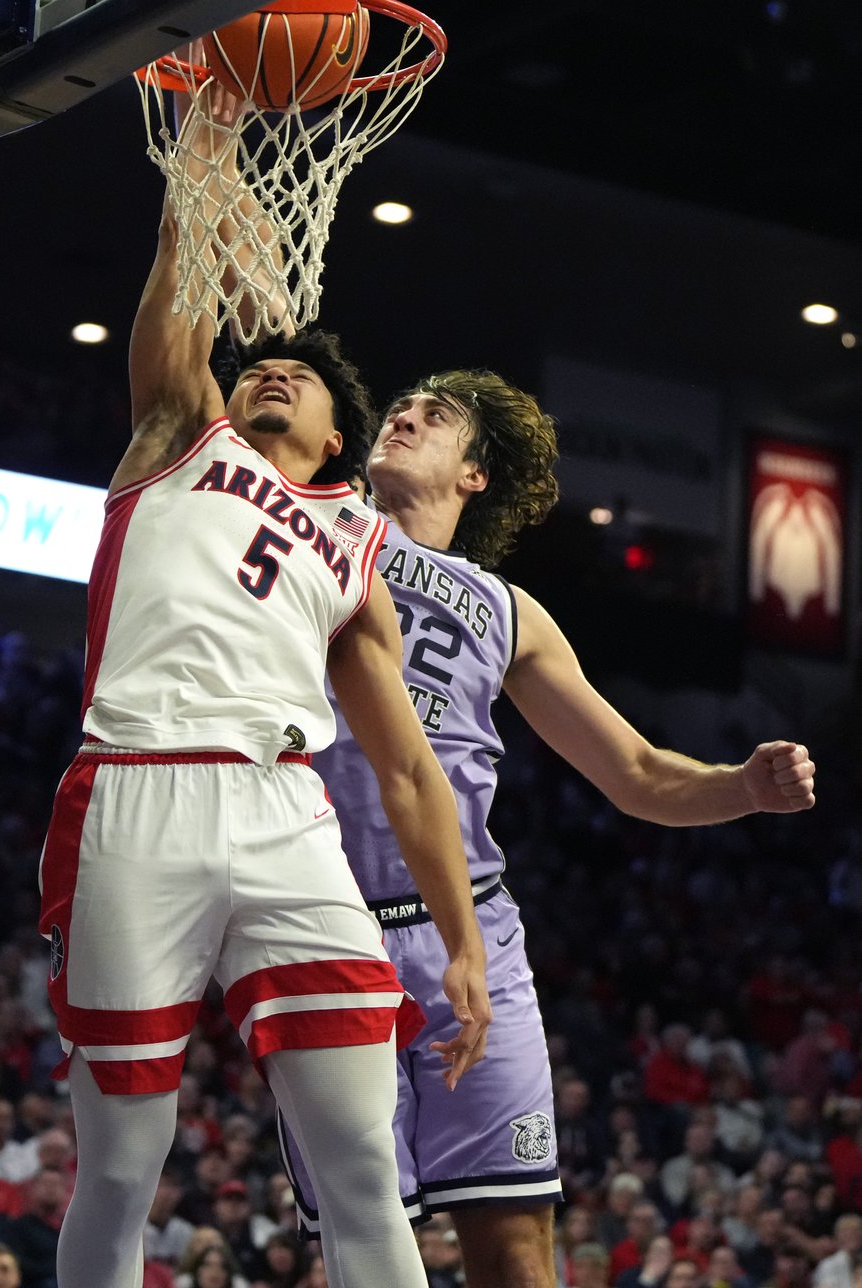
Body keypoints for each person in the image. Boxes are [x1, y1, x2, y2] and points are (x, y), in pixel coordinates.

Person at [36, 142, 491, 1288]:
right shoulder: (178, 433)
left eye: (300, 375)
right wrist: (208, 137)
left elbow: (408, 772)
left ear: (339, 438)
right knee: (122, 1163)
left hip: (286, 812)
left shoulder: (355, 546)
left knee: (361, 1159)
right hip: (139, 784)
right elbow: (182, 279)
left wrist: (464, 943)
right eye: (259, 370)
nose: (273, 374)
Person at [277, 366, 817, 1288]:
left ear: (475, 474)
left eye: (434, 416)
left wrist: (740, 788)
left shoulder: (509, 611)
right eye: (400, 408)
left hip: (471, 933)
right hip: (325, 923)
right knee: (367, 1244)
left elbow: (637, 773)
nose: (402, 416)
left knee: (517, 1253)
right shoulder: (307, 530)